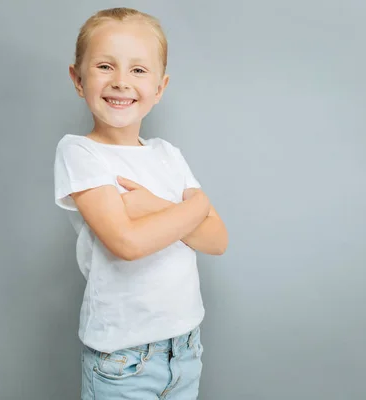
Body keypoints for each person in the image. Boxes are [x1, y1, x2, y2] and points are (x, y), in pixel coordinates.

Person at [53, 7, 228, 399]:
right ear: (78, 79)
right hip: (122, 360)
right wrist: (194, 207)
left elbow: (217, 241)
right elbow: (127, 243)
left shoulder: (167, 154)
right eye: (104, 66)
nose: (120, 82)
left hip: (184, 348)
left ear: (160, 87)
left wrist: (152, 206)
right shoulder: (81, 152)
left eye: (138, 70)